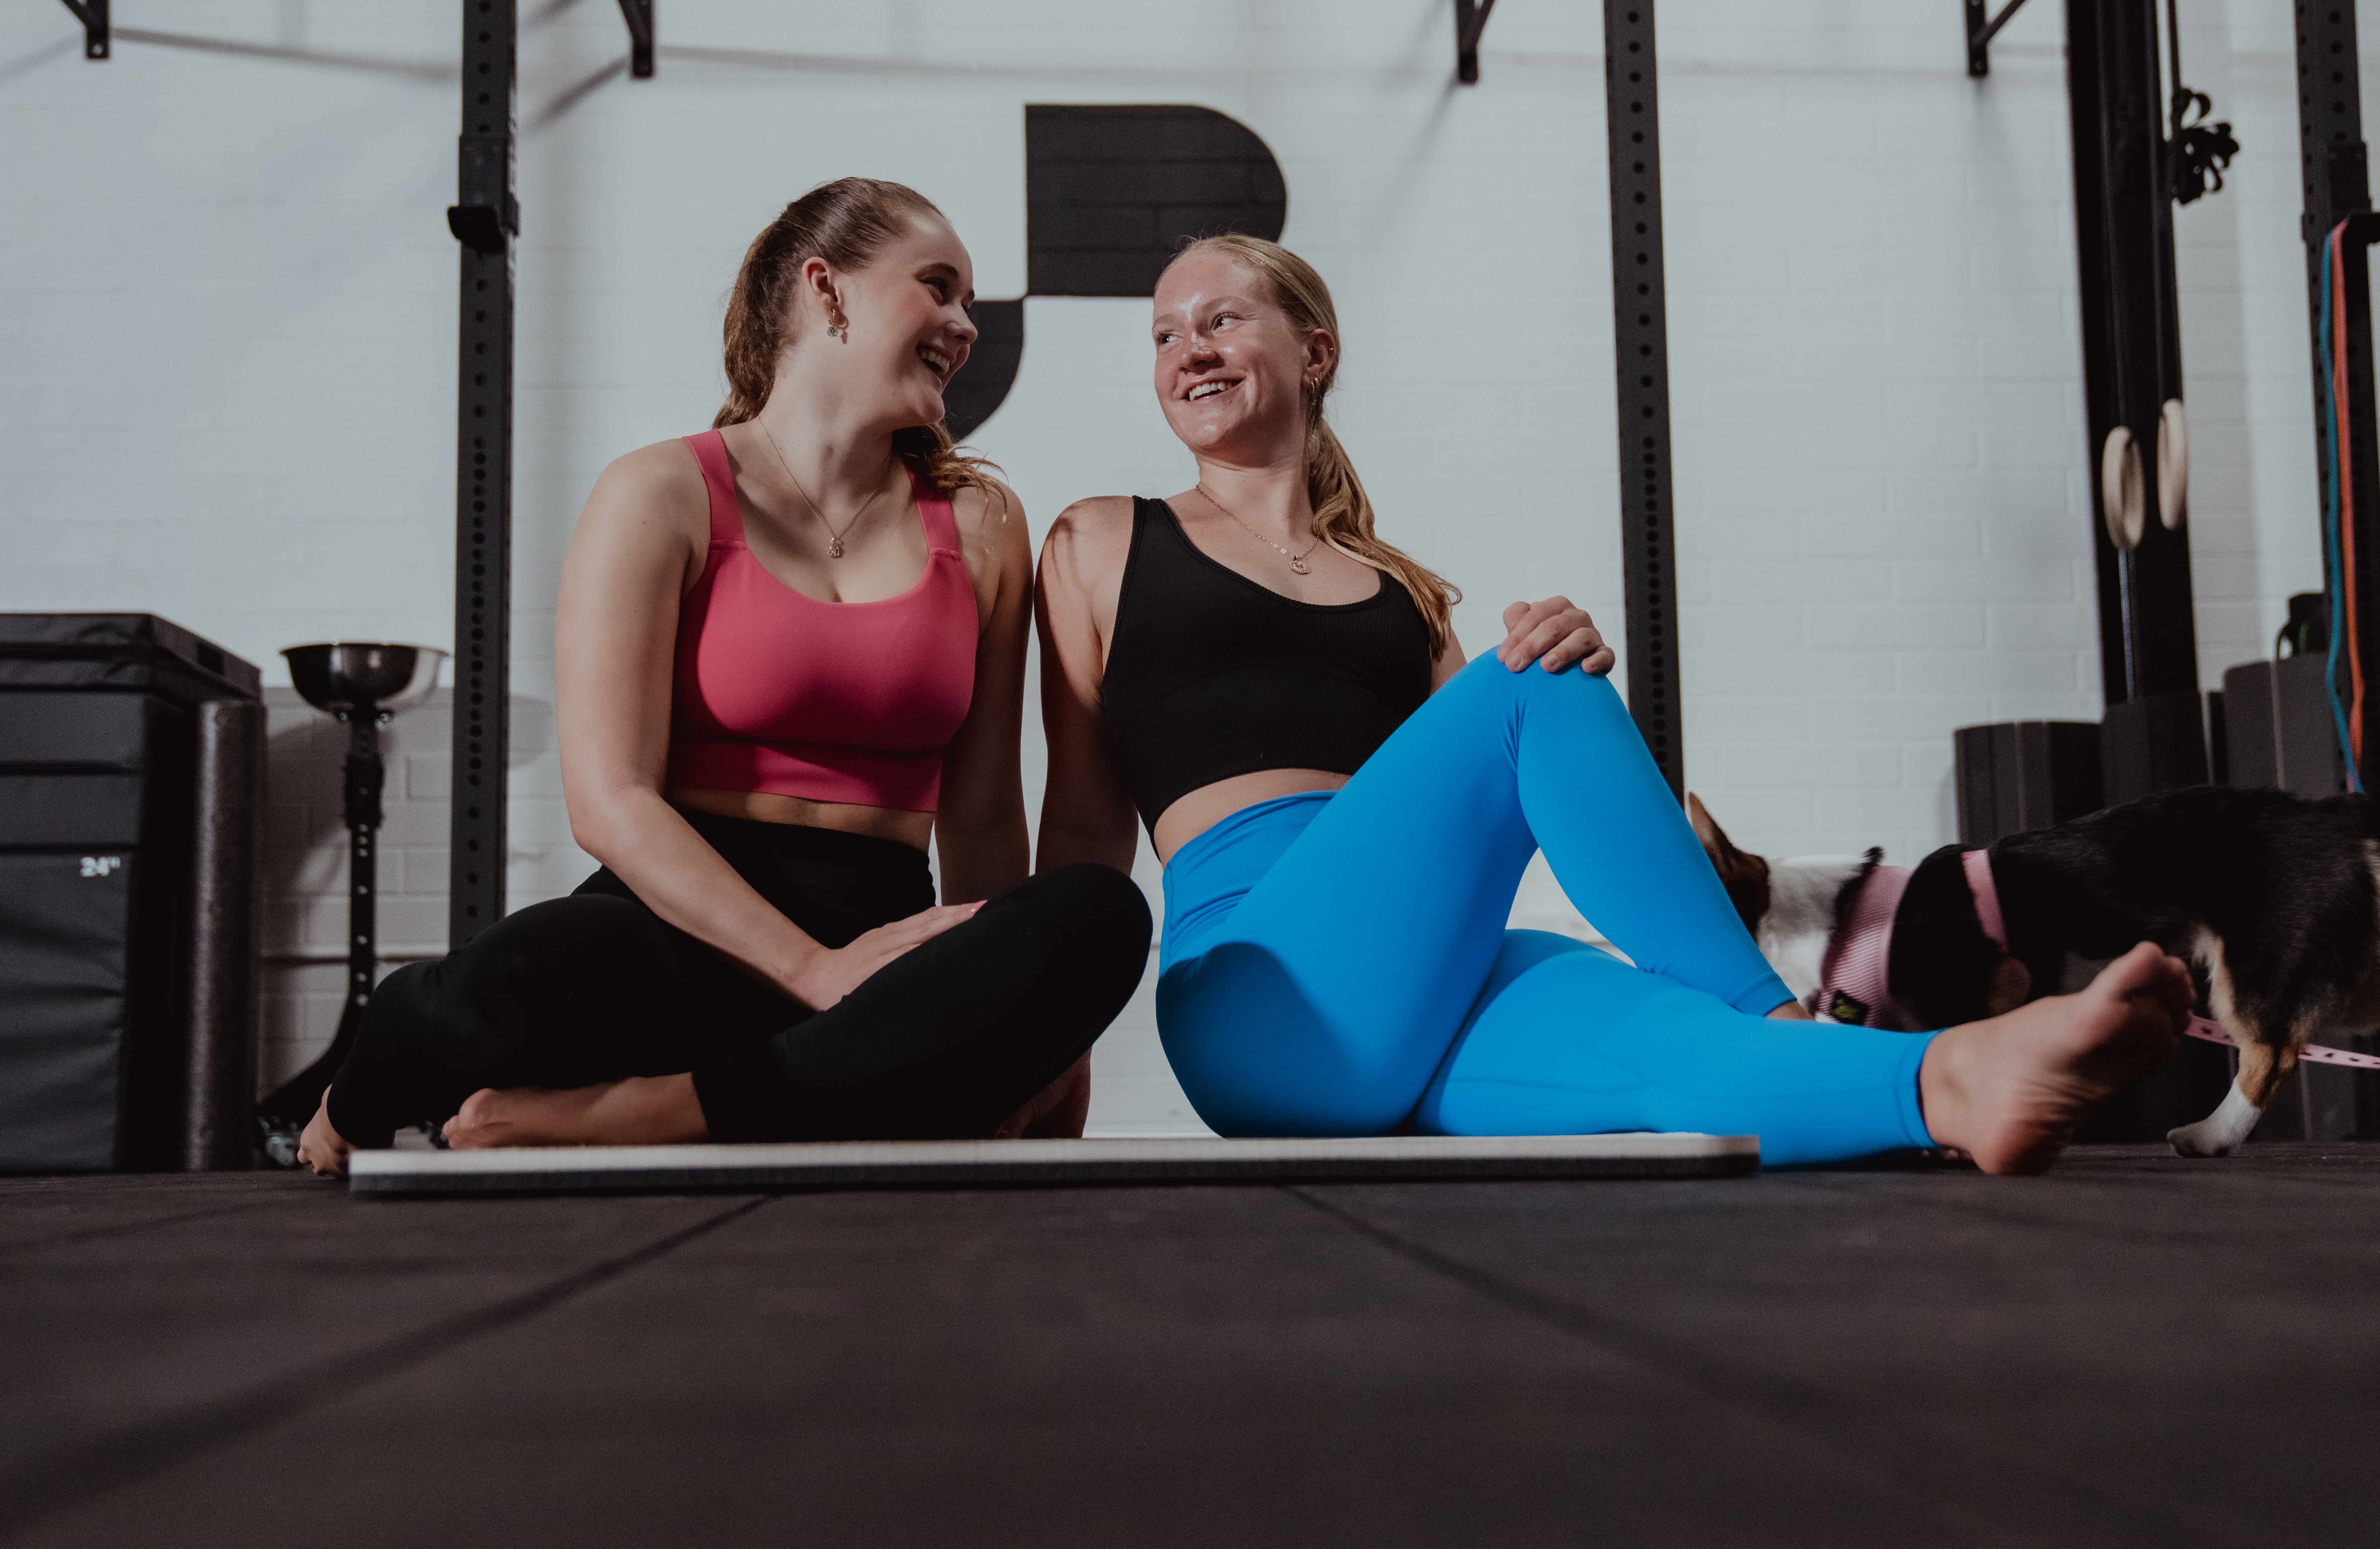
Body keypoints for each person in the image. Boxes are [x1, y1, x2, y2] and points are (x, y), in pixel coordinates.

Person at [1032, 233, 2188, 1174]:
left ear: (1314, 348)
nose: (1188, 349)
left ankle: (1948, 1083)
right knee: (1536, 679)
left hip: (1402, 1008)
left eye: (1220, 318)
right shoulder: (1104, 539)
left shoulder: (1406, 600)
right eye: (1164, 334)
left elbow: (1475, 826)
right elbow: (1080, 841)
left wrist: (1561, 695)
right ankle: (1768, 1015)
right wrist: (1033, 1068)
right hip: (1255, 996)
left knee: (1652, 1042)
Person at [297, 179, 1149, 1177]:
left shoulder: (982, 524)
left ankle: (639, 1118)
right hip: (671, 932)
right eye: (938, 288)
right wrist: (808, 969)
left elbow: (983, 818)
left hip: (878, 947)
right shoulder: (661, 491)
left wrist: (1024, 1023)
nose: (964, 326)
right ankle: (385, 1061)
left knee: (1097, 913)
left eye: (966, 302)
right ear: (827, 290)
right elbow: (609, 801)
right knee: (541, 967)